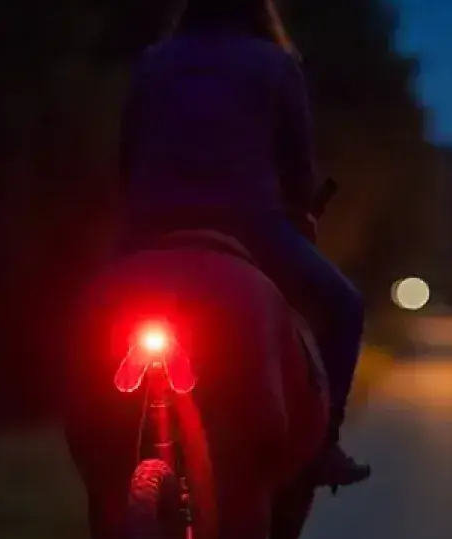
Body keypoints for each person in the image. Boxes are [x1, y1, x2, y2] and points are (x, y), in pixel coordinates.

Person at [116, 0, 371, 489]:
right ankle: (323, 447)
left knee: (78, 312)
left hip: (148, 225)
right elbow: (297, 168)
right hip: (250, 224)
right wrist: (302, 214)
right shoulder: (276, 63)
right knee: (344, 306)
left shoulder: (154, 59)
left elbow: (127, 157)